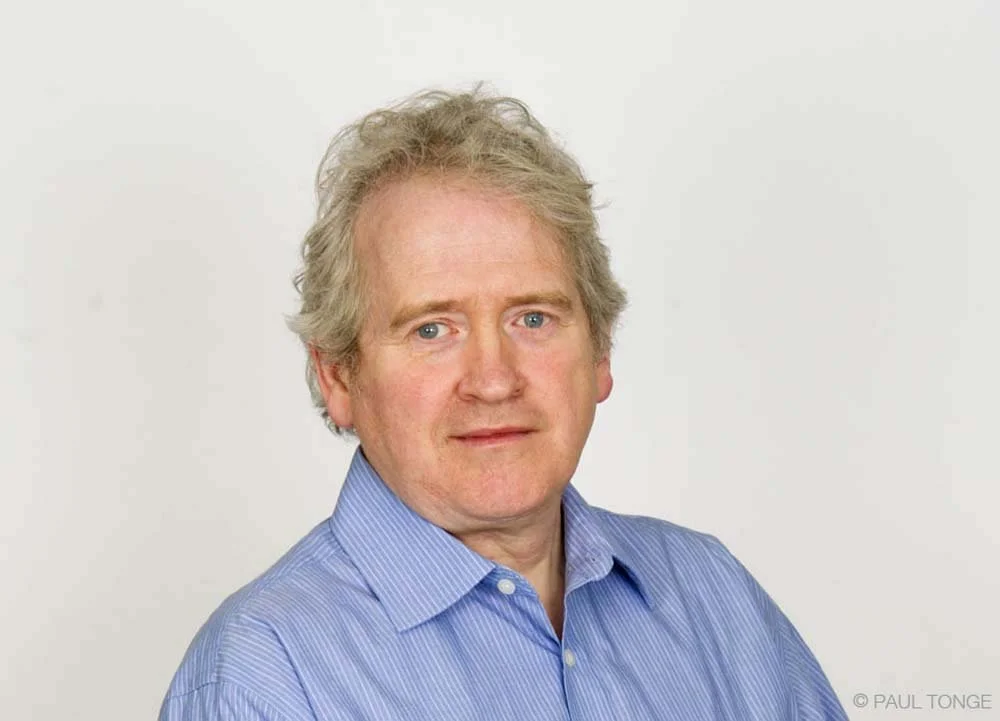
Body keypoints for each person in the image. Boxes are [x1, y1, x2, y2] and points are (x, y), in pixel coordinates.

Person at [159, 87, 848, 721]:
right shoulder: (264, 676)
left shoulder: (713, 596)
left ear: (600, 350)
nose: (493, 380)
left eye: (533, 318)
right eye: (432, 329)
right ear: (338, 375)